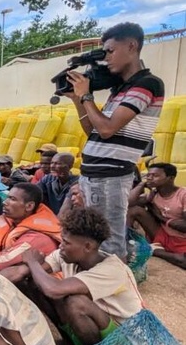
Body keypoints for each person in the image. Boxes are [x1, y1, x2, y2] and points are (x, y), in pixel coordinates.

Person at [66, 22, 164, 259]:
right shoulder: (119, 89)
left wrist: (86, 95)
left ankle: (116, 288)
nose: (106, 58)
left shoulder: (147, 84)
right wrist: (77, 100)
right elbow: (94, 131)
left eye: (110, 51)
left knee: (109, 244)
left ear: (132, 46)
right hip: (94, 174)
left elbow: (108, 129)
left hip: (110, 176)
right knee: (91, 238)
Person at [24, 208, 144, 345]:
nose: (61, 246)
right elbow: (25, 273)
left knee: (76, 303)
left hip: (128, 340)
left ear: (88, 246)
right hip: (103, 326)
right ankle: (71, 343)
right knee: (35, 282)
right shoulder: (66, 255)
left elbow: (53, 290)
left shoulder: (113, 270)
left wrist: (32, 262)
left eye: (66, 243)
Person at [0, 183, 62, 283]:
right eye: (7, 198)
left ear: (29, 206)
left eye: (12, 199)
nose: (5, 202)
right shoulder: (8, 219)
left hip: (36, 288)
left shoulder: (38, 237)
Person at [127, 163, 186, 269]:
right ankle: (126, 245)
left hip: (182, 240)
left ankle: (154, 250)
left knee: (183, 261)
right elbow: (128, 203)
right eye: (148, 175)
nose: (150, 178)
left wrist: (161, 218)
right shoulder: (153, 194)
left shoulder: (183, 195)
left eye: (155, 175)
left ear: (170, 178)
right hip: (162, 234)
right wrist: (141, 184)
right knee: (134, 211)